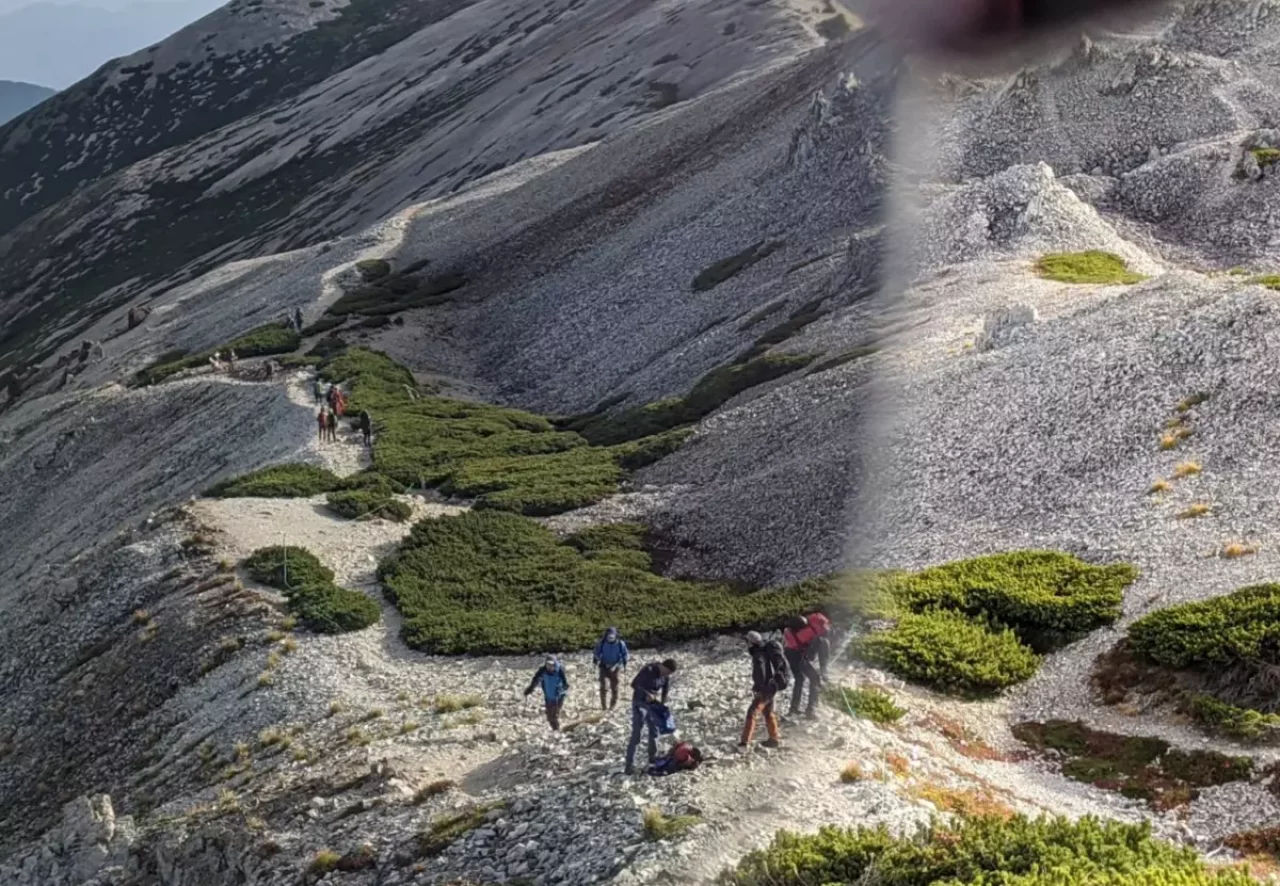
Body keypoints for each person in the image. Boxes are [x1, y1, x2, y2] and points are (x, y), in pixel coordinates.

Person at [625, 658, 678, 776]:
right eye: (667, 672)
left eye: (669, 674)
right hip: (639, 702)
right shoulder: (648, 670)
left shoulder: (666, 677)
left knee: (654, 731)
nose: (667, 675)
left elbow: (665, 691)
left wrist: (662, 705)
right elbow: (634, 684)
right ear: (663, 666)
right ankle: (629, 766)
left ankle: (652, 757)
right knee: (636, 735)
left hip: (652, 705)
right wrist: (646, 693)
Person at [740, 631, 788, 749]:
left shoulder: (759, 654)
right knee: (768, 712)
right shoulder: (764, 651)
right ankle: (774, 738)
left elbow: (760, 673)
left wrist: (759, 688)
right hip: (772, 686)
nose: (746, 644)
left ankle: (744, 743)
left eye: (747, 641)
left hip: (765, 689)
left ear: (751, 642)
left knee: (752, 713)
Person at [783, 616, 823, 719]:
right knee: (815, 679)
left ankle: (793, 708)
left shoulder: (788, 632)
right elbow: (817, 639)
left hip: (790, 655)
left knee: (799, 679)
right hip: (800, 657)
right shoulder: (802, 635)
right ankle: (811, 710)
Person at [524, 656, 569, 731]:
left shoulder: (559, 670)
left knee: (554, 716)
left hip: (558, 696)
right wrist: (529, 690)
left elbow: (566, 685)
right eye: (548, 664)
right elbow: (535, 680)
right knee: (549, 716)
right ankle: (556, 730)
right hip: (548, 696)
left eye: (552, 665)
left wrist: (560, 690)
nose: (550, 667)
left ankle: (557, 731)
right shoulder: (542, 670)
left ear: (555, 664)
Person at [593, 626, 629, 711]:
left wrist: (618, 664)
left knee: (614, 687)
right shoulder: (601, 643)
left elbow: (625, 655)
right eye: (608, 636)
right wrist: (595, 658)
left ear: (616, 635)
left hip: (616, 667)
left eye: (612, 636)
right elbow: (596, 652)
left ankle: (612, 706)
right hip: (604, 666)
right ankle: (604, 707)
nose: (610, 638)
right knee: (603, 687)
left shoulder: (621, 644)